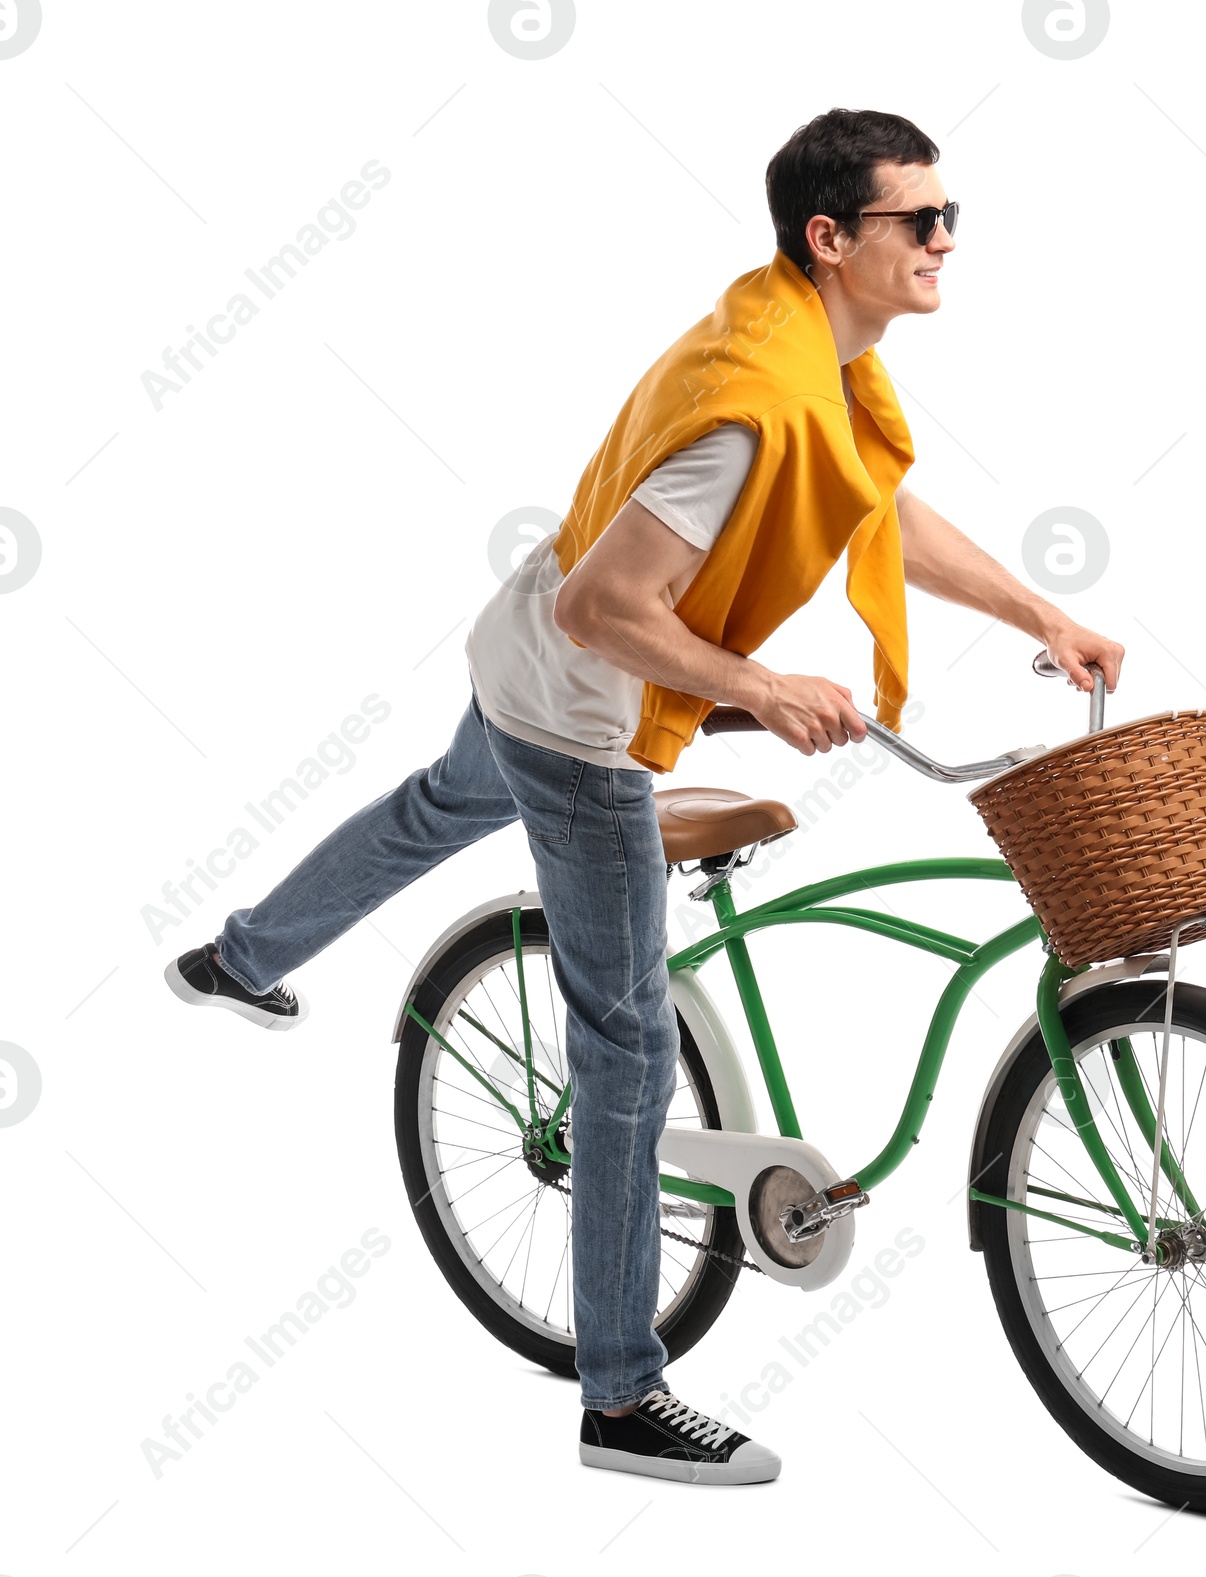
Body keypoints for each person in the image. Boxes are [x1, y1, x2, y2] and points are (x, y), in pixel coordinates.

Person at [164, 107, 1125, 1486]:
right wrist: (763, 683)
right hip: (581, 714)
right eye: (921, 220)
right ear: (832, 238)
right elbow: (607, 603)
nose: (945, 239)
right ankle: (621, 1395)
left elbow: (877, 509)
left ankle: (237, 953)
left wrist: (1040, 607)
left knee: (439, 808)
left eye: (948, 214)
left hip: (526, 664)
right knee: (624, 1050)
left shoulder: (818, 356)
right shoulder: (756, 401)